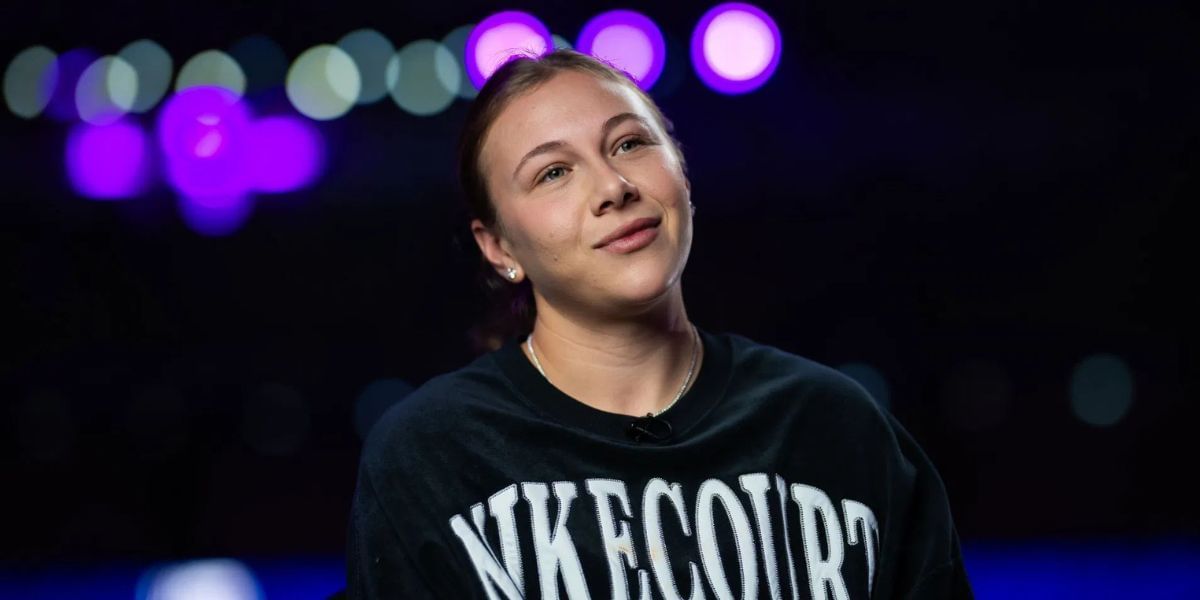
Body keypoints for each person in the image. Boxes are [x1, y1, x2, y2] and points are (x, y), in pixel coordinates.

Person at [346, 48, 973, 599]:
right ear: (499, 247)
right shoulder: (433, 454)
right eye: (553, 173)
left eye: (629, 144)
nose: (614, 187)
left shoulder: (833, 424)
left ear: (681, 171)